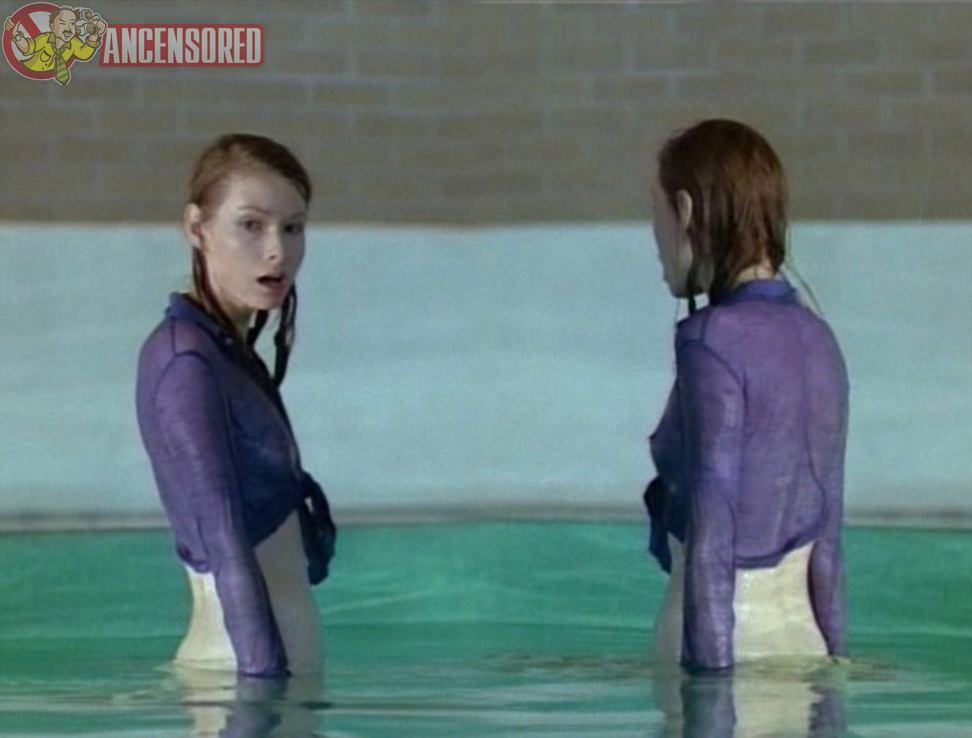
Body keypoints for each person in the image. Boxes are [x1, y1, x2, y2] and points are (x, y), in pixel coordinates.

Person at [644, 119, 849, 673]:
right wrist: (834, 674)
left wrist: (709, 691)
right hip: (804, 646)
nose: (656, 239)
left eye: (656, 215)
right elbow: (828, 552)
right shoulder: (820, 339)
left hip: (722, 644)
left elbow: (713, 538)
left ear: (685, 210)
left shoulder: (709, 342)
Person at [136, 133, 335, 679]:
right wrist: (260, 697)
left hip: (260, 670)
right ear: (196, 228)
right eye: (251, 225)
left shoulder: (224, 351)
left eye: (292, 228)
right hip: (243, 673)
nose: (277, 250)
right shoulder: (186, 363)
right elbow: (226, 548)